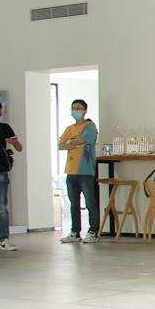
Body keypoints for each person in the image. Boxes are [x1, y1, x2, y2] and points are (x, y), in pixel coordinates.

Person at [58, 99, 99, 243]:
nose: (75, 110)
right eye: (73, 108)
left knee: (90, 203)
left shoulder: (90, 126)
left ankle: (93, 231)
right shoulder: (69, 128)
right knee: (74, 203)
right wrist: (72, 142)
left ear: (85, 110)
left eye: (79, 108)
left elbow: (82, 140)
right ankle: (75, 232)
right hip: (71, 171)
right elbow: (60, 145)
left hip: (85, 170)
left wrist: (71, 142)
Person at [0, 99, 24, 252]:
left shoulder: (4, 128)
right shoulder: (4, 127)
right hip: (1, 171)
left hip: (1, 171)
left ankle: (3, 240)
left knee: (2, 207)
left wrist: (12, 141)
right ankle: (3, 240)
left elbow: (19, 147)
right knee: (2, 207)